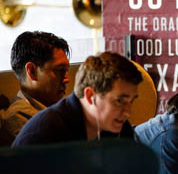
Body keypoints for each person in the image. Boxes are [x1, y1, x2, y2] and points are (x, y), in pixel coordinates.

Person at [12, 51, 142, 146]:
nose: (127, 112)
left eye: (131, 101)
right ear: (91, 96)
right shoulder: (46, 134)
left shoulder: (120, 128)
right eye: (119, 101)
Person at [0, 31, 70, 145]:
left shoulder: (54, 107)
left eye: (67, 70)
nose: (67, 79)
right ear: (32, 71)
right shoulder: (19, 120)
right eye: (60, 70)